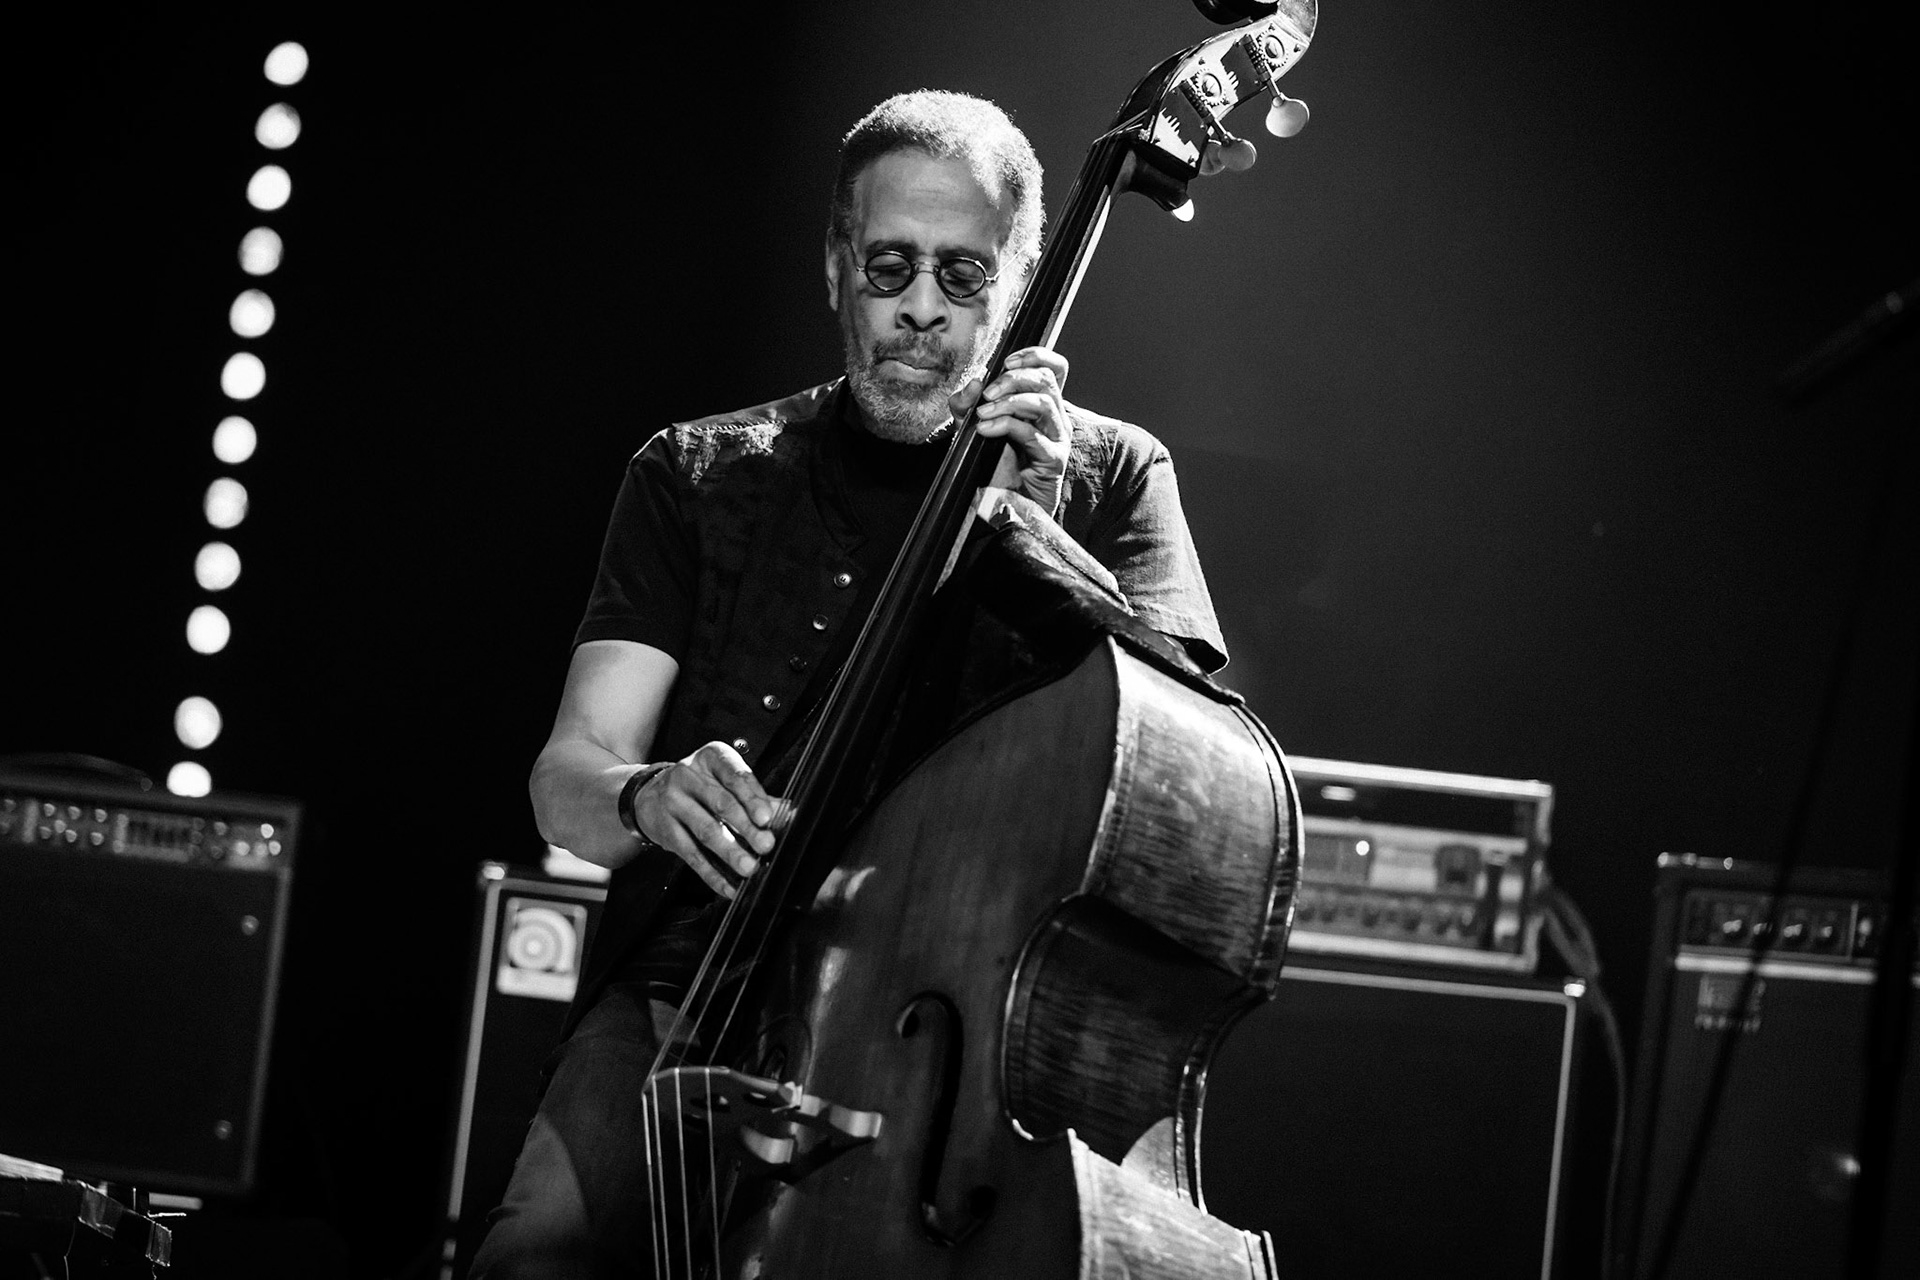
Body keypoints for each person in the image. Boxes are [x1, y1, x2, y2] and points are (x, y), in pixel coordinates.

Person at [471, 89, 1226, 1278]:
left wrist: (1037, 542)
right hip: (695, 989)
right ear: (836, 270)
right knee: (533, 1262)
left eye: (964, 276)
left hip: (965, 1028)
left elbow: (1194, 783)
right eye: (889, 265)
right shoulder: (696, 475)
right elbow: (568, 778)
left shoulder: (1115, 475)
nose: (922, 307)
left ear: (1021, 287)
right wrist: (647, 793)